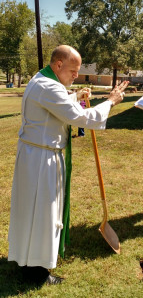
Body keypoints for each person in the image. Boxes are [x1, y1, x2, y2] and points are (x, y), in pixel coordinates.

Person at [8, 45, 129, 285]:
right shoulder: (49, 86)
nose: (76, 75)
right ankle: (36, 272)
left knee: (32, 210)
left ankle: (27, 259)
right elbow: (80, 117)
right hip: (42, 160)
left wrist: (75, 97)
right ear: (59, 65)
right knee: (42, 212)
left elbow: (54, 106)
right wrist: (111, 102)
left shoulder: (41, 79)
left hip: (36, 155)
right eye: (73, 70)